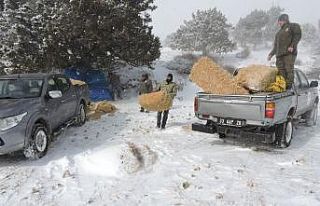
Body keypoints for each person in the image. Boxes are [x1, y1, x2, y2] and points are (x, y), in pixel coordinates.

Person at [268, 14, 302, 89]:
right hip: (279, 55)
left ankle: (289, 87)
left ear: (285, 20)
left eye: (280, 21)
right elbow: (275, 46)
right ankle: (282, 85)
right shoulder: (278, 33)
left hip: (288, 54)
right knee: (280, 71)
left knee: (288, 69)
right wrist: (271, 54)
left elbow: (297, 35)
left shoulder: (293, 26)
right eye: (278, 21)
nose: (279, 22)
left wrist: (292, 45)